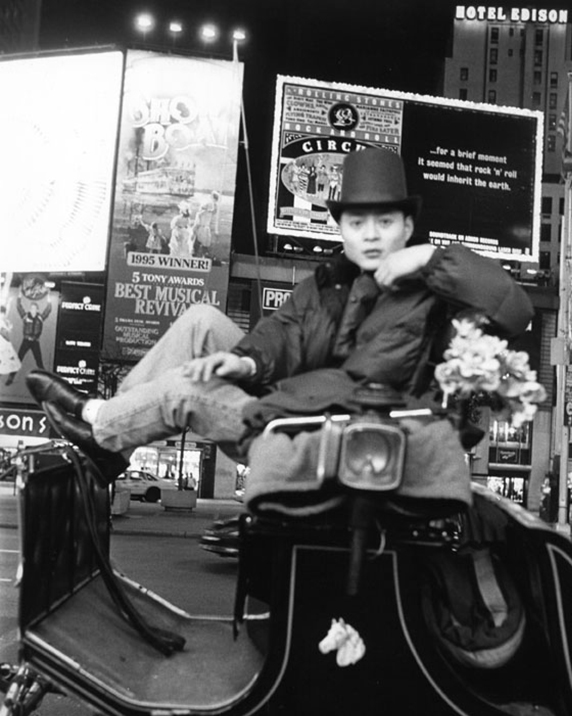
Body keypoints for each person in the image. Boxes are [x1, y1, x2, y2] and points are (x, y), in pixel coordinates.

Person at [26, 147, 534, 485]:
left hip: (331, 430)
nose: (371, 235)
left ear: (407, 227)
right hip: (300, 396)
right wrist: (246, 362)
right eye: (358, 222)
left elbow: (516, 310)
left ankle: (101, 425)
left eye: (385, 222)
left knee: (185, 389)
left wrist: (429, 258)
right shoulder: (331, 282)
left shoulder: (436, 290)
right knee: (201, 321)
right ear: (342, 230)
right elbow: (284, 331)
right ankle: (113, 439)